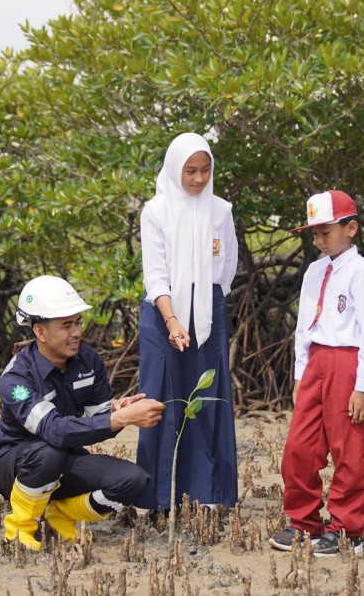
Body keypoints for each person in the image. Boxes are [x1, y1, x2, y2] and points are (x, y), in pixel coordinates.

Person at [0, 275, 166, 551]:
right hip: (14, 465)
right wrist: (120, 419)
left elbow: (99, 419)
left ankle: (61, 514)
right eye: (66, 325)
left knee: (134, 481)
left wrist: (117, 411)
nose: (77, 332)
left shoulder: (89, 360)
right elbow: (54, 430)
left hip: (64, 458)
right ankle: (20, 528)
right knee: (49, 452)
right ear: (40, 332)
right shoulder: (16, 380)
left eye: (78, 322)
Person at [269, 191, 364, 556]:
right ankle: (304, 523)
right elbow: (304, 327)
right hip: (316, 361)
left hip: (348, 363)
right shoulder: (315, 270)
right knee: (300, 447)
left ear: (351, 228)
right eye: (314, 233)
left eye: (325, 232)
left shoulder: (362, 273)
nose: (318, 241)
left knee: (350, 447)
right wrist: (301, 373)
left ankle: (348, 529)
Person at [134, 132, 239, 514]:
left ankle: (206, 495)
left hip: (208, 312)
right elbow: (156, 275)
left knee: (208, 399)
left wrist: (203, 305)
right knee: (160, 400)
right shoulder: (155, 211)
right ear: (175, 169)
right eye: (190, 171)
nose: (198, 179)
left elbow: (226, 269)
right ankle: (155, 499)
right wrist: (175, 318)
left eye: (206, 171)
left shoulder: (221, 211)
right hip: (164, 313)